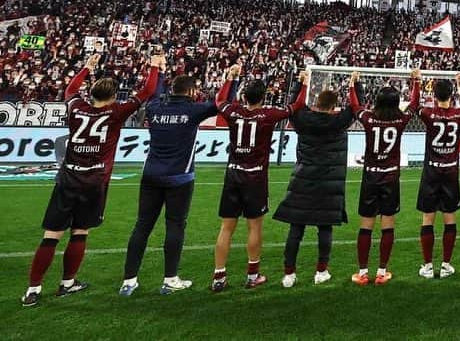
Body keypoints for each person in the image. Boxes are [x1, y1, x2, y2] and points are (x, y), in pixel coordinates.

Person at [21, 53, 159, 307]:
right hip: (94, 181)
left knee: (51, 235)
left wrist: (87, 67)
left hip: (68, 178)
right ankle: (67, 283)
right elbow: (148, 90)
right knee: (80, 232)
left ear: (91, 94)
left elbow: (71, 89)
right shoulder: (116, 113)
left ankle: (33, 289)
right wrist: (155, 64)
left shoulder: (76, 106)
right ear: (114, 96)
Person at [120, 67, 221, 296]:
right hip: (180, 178)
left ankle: (128, 281)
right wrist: (232, 80)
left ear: (171, 89)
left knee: (142, 226)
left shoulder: (155, 108)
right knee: (175, 226)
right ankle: (170, 279)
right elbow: (221, 102)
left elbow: (153, 92)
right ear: (192, 91)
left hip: (151, 175)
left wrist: (158, 70)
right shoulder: (194, 110)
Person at [211, 66, 307, 291]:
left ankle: (218, 277)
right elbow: (296, 107)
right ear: (263, 97)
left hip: (233, 172)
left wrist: (231, 77)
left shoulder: (233, 111)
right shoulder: (268, 115)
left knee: (226, 227)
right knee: (254, 226)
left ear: (244, 96)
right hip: (255, 176)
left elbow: (219, 100)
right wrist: (303, 83)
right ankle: (252, 275)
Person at [272, 71, 354, 287]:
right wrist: (356, 84)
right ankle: (321, 271)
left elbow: (292, 107)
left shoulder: (303, 119)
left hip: (303, 180)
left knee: (296, 229)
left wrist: (301, 84)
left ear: (316, 103)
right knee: (325, 229)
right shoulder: (338, 122)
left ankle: (289, 274)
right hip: (329, 184)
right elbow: (355, 108)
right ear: (334, 106)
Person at [351, 69, 421, 285]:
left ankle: (362, 273)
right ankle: (382, 271)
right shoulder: (400, 120)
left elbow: (355, 106)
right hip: (390, 178)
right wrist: (416, 80)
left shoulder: (369, 119)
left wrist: (352, 84)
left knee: (366, 226)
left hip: (371, 177)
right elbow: (414, 104)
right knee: (388, 225)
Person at [416, 74, 460, 280]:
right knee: (449, 218)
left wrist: (417, 82)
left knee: (428, 219)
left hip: (431, 172)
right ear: (451, 95)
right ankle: (446, 264)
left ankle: (428, 266)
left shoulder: (428, 113)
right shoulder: (459, 114)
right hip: (450, 172)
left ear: (434, 95)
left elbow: (415, 106)